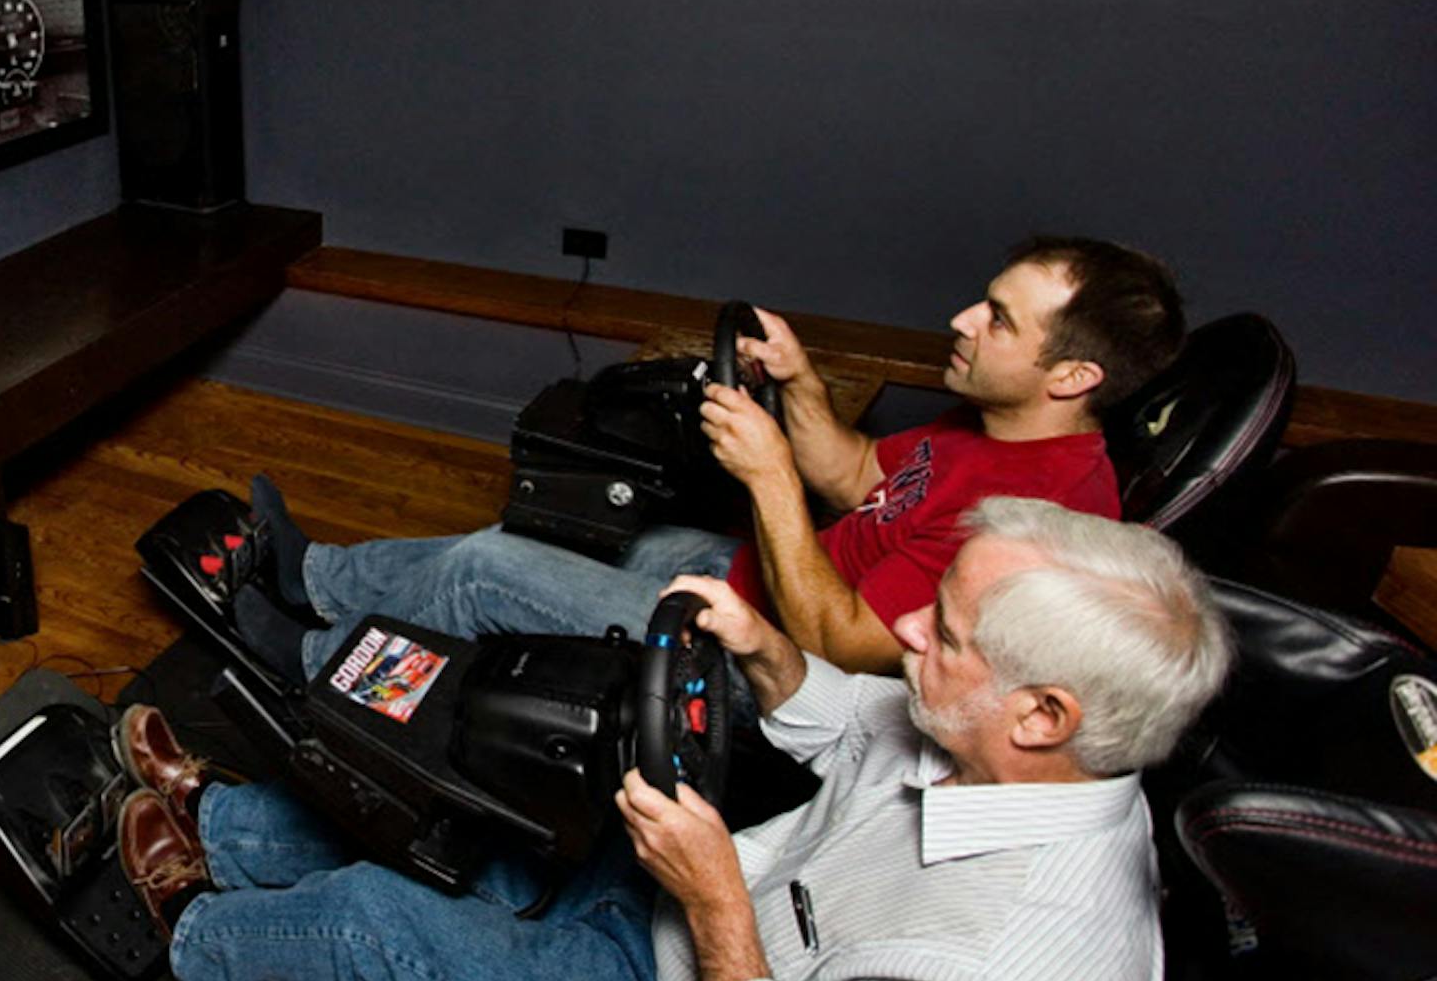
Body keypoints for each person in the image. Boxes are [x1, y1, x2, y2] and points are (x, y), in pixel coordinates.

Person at [114, 498, 1234, 981]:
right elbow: (858, 732)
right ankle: (224, 830)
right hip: (707, 926)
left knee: (374, 920)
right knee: (482, 816)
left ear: (1043, 713)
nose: (906, 632)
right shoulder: (1021, 754)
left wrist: (712, 905)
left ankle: (189, 929)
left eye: (945, 634)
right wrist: (766, 655)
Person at [233, 237, 1185, 681]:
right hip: (750, 582)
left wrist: (768, 475)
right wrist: (802, 382)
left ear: (1074, 374)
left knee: (492, 572)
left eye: (999, 319)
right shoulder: (986, 427)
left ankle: (308, 659)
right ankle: (314, 575)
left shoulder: (1038, 521)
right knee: (538, 528)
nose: (963, 321)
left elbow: (843, 648)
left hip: (761, 667)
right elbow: (858, 478)